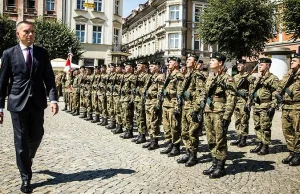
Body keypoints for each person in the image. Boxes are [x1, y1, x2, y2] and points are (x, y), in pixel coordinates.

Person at [0, 21, 58, 193]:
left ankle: (28, 158)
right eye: (26, 31)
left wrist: (53, 100)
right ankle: (26, 177)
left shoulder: (42, 53)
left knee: (37, 134)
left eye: (33, 31)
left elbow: (49, 78)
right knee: (21, 140)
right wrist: (0, 108)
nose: (31, 35)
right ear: (18, 34)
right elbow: (2, 83)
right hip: (17, 103)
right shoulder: (9, 53)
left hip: (38, 102)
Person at [203, 52, 236, 179]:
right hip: (208, 111)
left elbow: (231, 99)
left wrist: (227, 117)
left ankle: (221, 166)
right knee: (211, 139)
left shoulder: (227, 78)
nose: (210, 62)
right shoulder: (211, 77)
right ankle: (214, 162)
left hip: (219, 113)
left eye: (213, 60)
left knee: (220, 139)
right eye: (210, 60)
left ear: (220, 63)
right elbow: (205, 94)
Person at [176, 53, 207, 167]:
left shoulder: (197, 75)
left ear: (195, 63)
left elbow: (202, 93)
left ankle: (193, 155)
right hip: (186, 107)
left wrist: (197, 109)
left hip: (193, 108)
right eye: (187, 59)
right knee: (184, 132)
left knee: (192, 133)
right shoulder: (187, 75)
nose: (187, 61)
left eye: (190, 59)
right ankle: (188, 152)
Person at [246, 58, 278, 155]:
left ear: (268, 66)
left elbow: (276, 93)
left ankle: (265, 146)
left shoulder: (273, 78)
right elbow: (252, 92)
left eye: (262, 65)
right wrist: (248, 103)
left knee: (265, 127)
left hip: (266, 105)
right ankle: (260, 143)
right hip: (257, 105)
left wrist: (273, 106)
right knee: (257, 126)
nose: (259, 66)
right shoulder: (258, 78)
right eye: (259, 65)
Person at [275, 53, 300, 166]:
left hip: (297, 107)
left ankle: (298, 153)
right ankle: (292, 152)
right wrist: (277, 94)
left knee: (298, 131)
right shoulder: (288, 74)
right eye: (291, 60)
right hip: (286, 106)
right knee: (287, 131)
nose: (291, 62)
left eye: (294, 60)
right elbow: (280, 86)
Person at [160, 56, 184, 157]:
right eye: (168, 62)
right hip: (166, 103)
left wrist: (178, 106)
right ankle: (169, 143)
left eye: (171, 62)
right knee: (166, 126)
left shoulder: (179, 75)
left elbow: (180, 92)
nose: (168, 63)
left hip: (173, 104)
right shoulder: (169, 75)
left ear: (176, 64)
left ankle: (176, 146)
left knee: (174, 126)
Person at [231, 59, 255, 147]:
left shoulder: (249, 77)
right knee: (237, 121)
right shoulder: (235, 77)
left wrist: (248, 103)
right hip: (236, 102)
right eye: (237, 65)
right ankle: (239, 137)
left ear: (245, 66)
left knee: (244, 120)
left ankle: (243, 139)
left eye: (240, 65)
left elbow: (251, 92)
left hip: (244, 102)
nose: (238, 66)